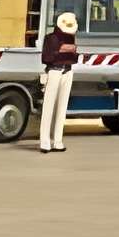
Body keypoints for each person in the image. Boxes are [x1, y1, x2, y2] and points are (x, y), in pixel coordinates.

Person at [36, 11, 78, 152]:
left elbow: (73, 58)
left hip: (67, 71)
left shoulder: (71, 38)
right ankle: (45, 141)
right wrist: (61, 52)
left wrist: (66, 52)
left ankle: (58, 140)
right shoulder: (51, 38)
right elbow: (46, 58)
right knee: (49, 107)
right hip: (54, 71)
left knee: (62, 107)